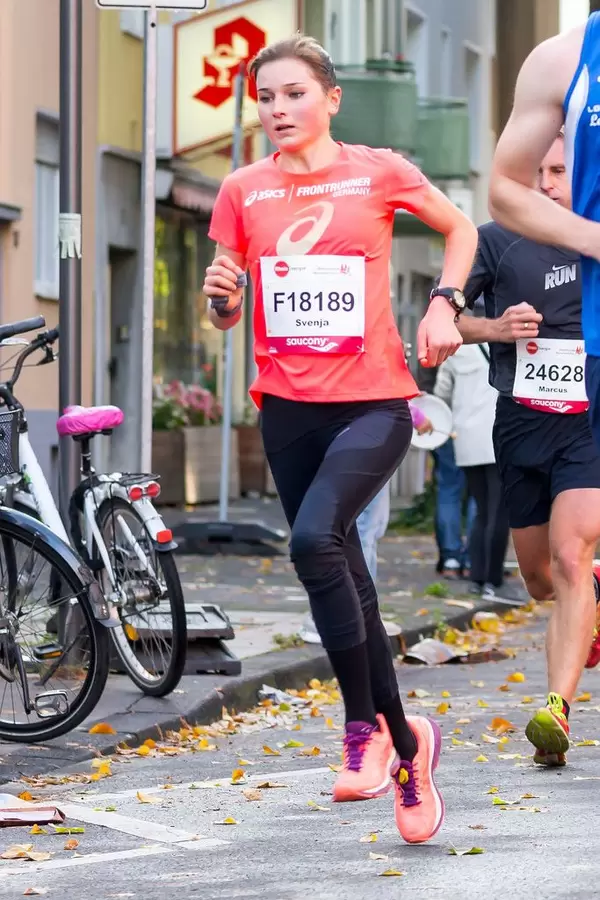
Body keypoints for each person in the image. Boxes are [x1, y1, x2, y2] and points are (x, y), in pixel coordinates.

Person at [202, 34, 477, 843]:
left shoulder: (379, 169)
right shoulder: (242, 190)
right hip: (287, 409)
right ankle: (400, 739)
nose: (278, 110)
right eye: (265, 99)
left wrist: (444, 305)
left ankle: (370, 732)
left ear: (330, 98)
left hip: (374, 404)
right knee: (339, 565)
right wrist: (220, 300)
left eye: (292, 94)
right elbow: (221, 311)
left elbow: (462, 229)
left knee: (315, 539)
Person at [471, 132, 600, 765]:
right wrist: (494, 327)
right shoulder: (496, 238)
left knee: (571, 556)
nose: (548, 182)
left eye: (561, 169)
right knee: (540, 578)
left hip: (589, 422)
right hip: (521, 422)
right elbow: (448, 317)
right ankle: (590, 600)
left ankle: (557, 712)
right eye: (539, 170)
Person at [434, 342, 510, 597]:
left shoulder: (455, 347)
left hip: (465, 436)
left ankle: (477, 577)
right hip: (499, 432)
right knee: (498, 511)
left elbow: (441, 392)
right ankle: (493, 579)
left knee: (481, 510)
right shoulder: (505, 343)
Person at [356, 404, 433, 582]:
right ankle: (359, 600)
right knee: (365, 529)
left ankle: (359, 599)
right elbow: (382, 389)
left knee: (363, 528)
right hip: (370, 443)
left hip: (347, 441)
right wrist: (415, 413)